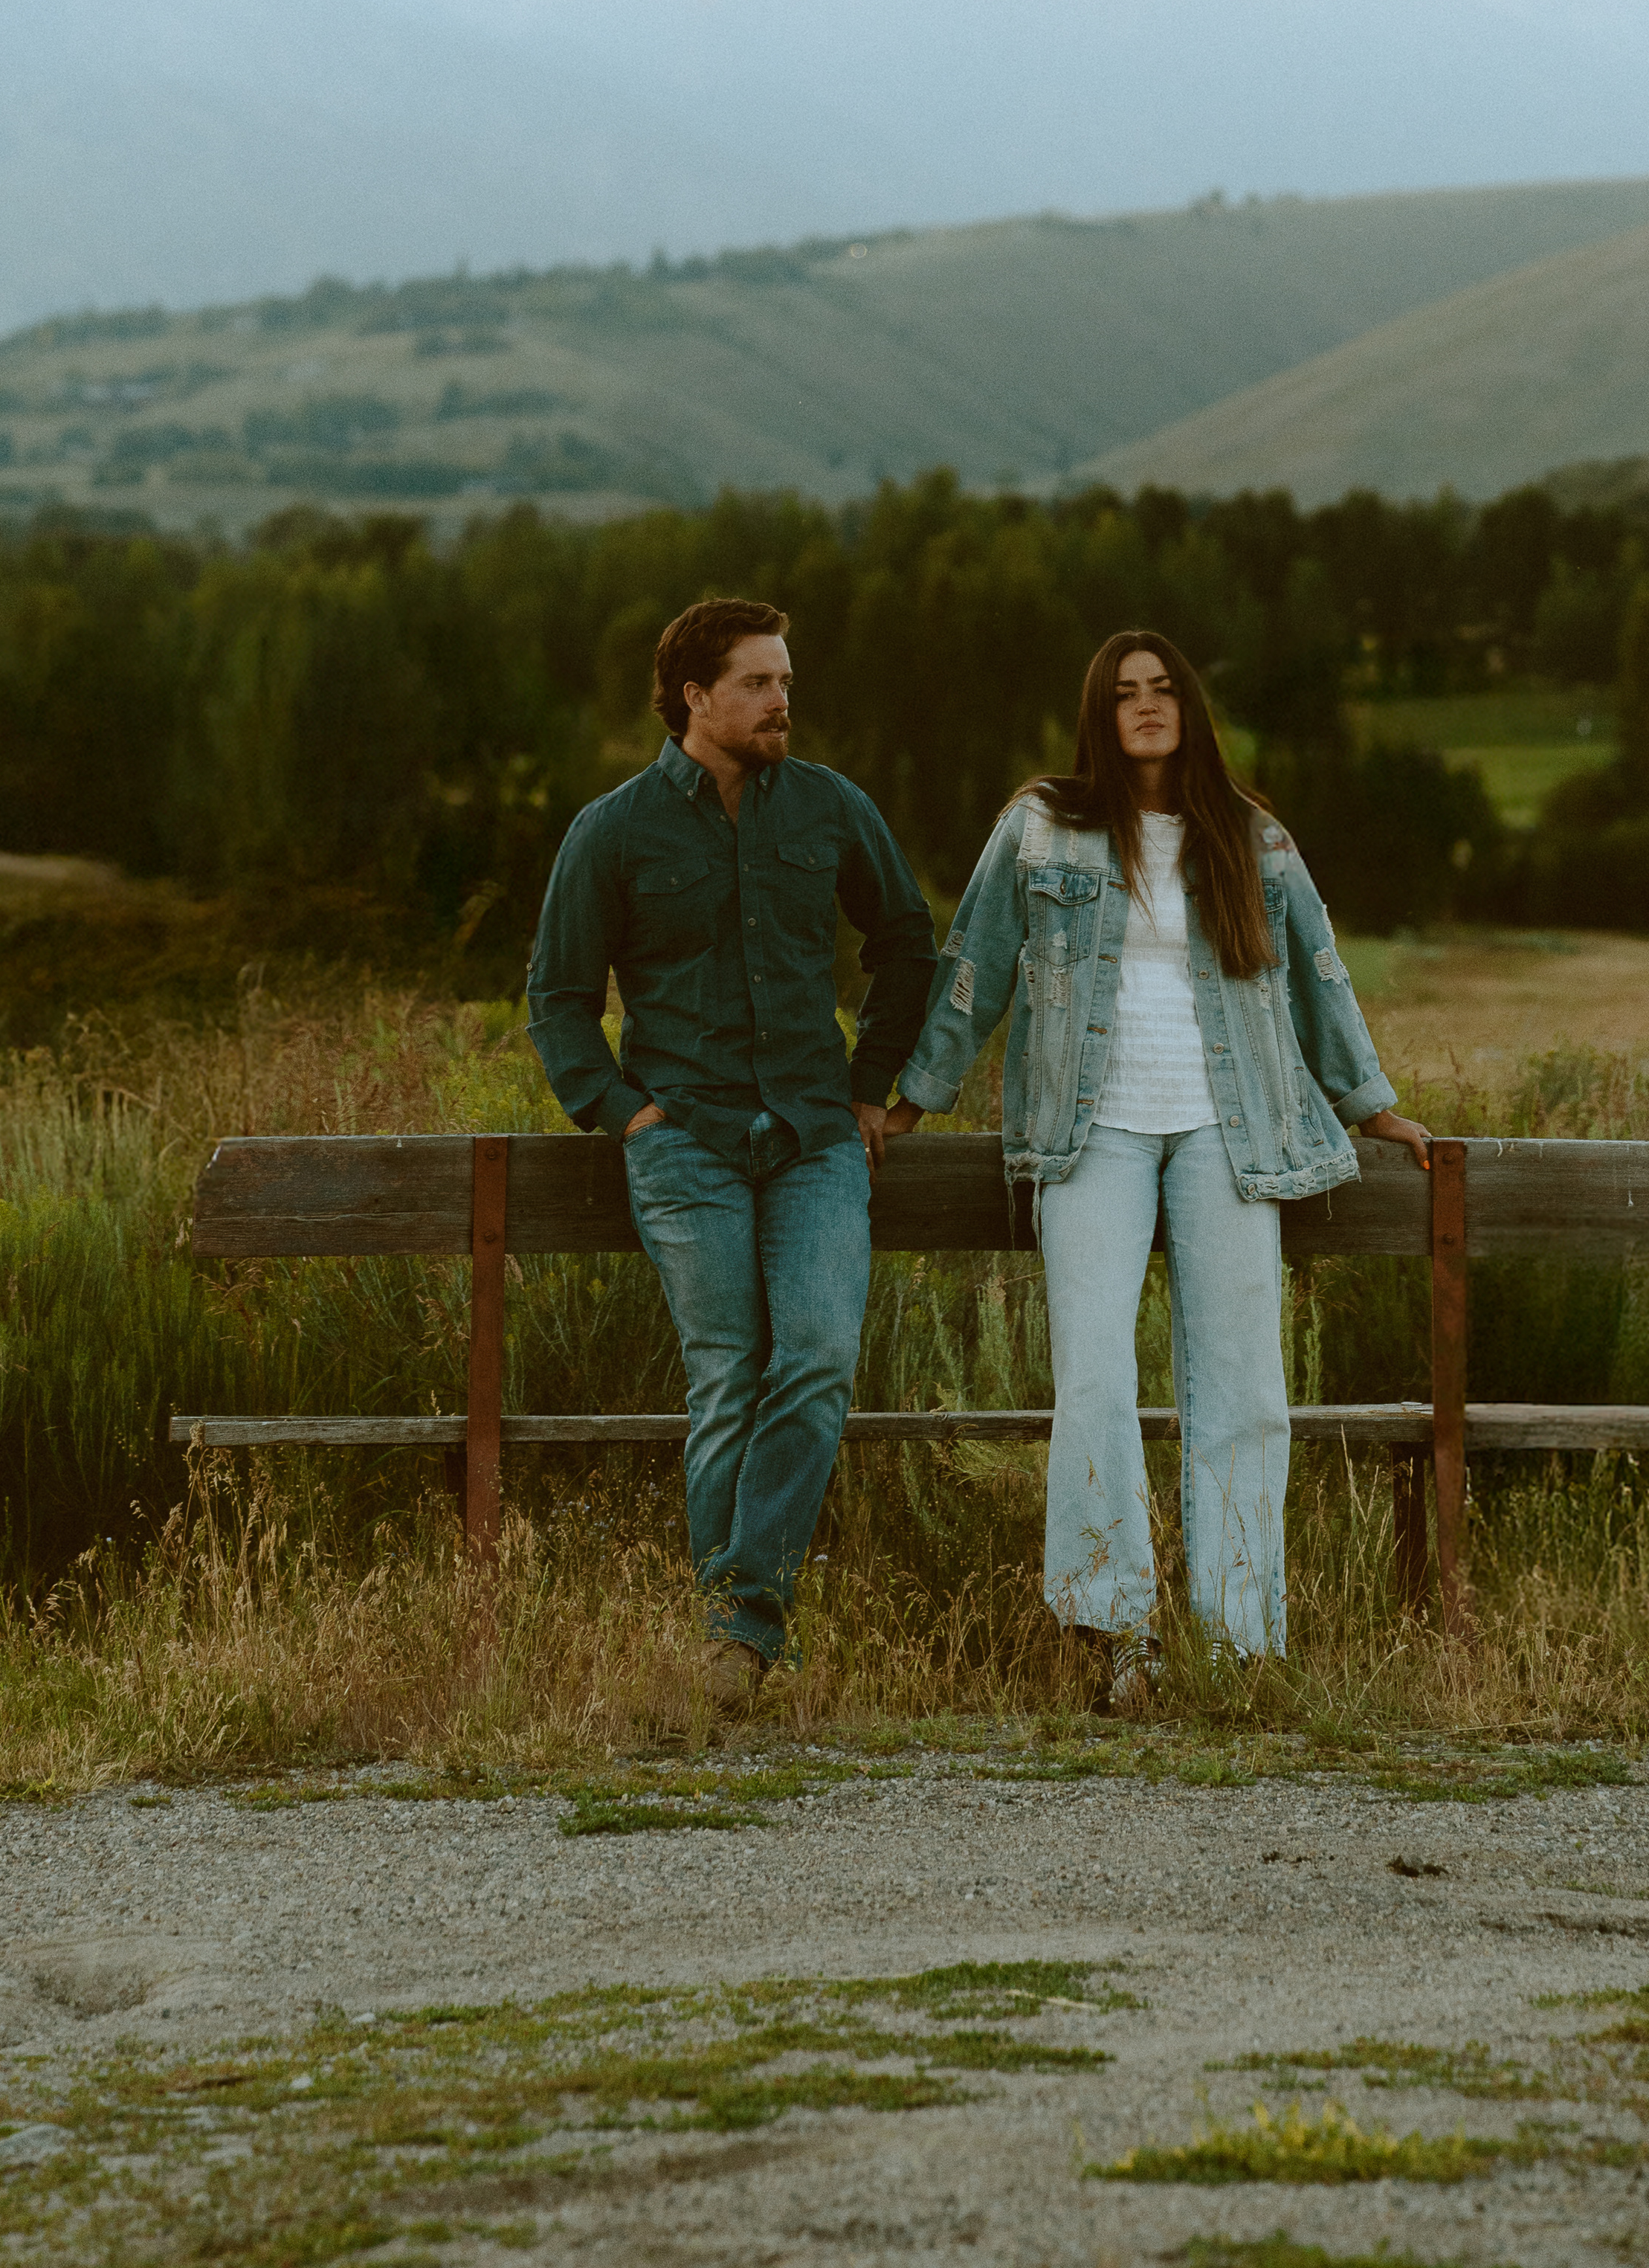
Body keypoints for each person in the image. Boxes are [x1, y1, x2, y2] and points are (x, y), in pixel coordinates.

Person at [883, 626, 1429, 1701]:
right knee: (1094, 1378)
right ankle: (1118, 1636)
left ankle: (1238, 1647)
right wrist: (913, 1098)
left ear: (1189, 708)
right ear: (1100, 711)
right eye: (1125, 692)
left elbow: (1321, 973)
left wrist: (1373, 1108)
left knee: (1245, 1391)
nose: (1145, 706)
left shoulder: (1253, 838)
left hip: (1229, 1135)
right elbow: (974, 963)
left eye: (1163, 689)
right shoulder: (1042, 827)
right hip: (1093, 1138)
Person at [526, 594, 936, 1710]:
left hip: (814, 1136)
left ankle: (733, 1627)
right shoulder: (612, 831)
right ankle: (738, 1637)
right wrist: (623, 1115)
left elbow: (907, 942)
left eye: (787, 682)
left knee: (813, 1360)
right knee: (728, 1376)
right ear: (694, 697)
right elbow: (558, 1000)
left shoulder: (831, 809)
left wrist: (868, 1089)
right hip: (686, 1142)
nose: (781, 702)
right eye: (758, 683)